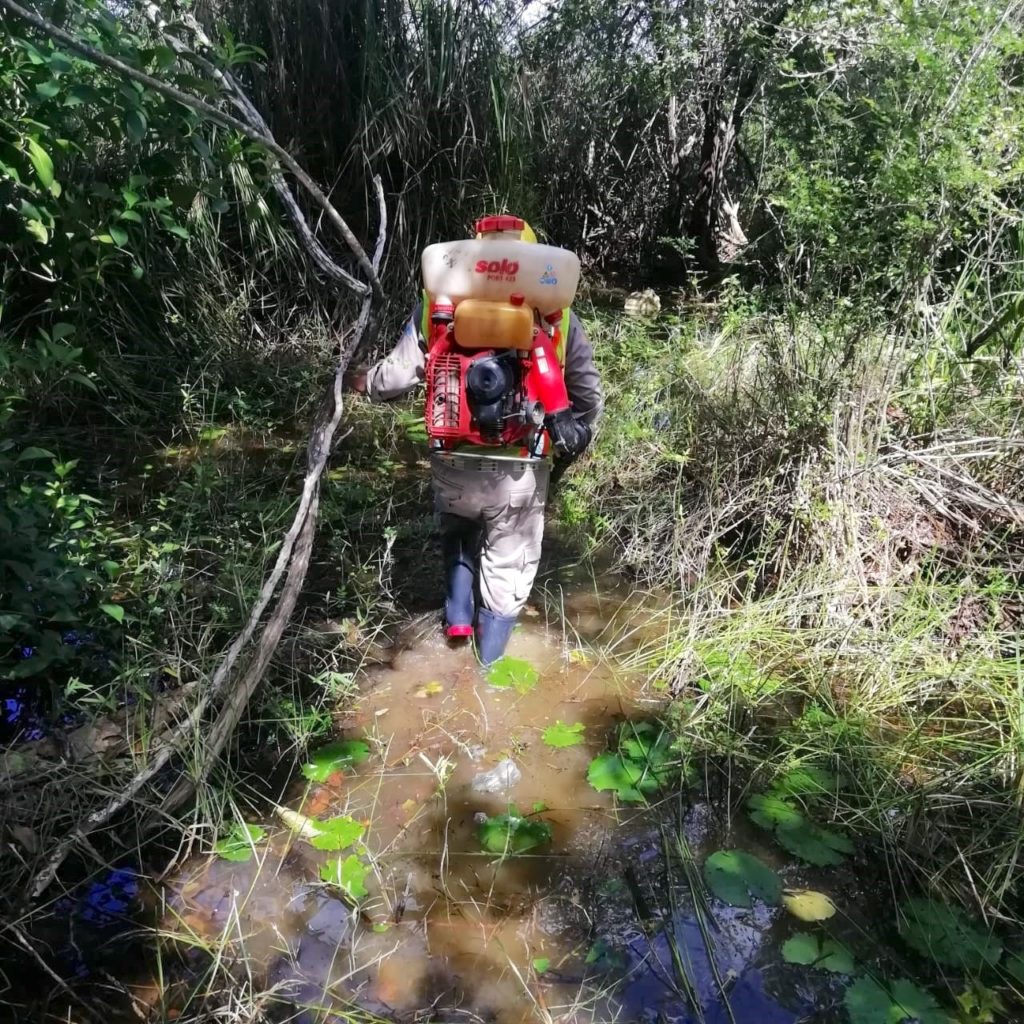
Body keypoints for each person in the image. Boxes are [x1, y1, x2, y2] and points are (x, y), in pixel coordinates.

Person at [353, 217, 603, 665]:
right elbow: (588, 396)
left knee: (458, 531)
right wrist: (574, 434)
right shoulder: (557, 316)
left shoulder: (436, 306)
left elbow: (393, 377)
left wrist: (360, 382)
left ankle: (457, 624)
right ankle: (486, 676)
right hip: (519, 469)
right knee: (507, 569)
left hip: (452, 460)